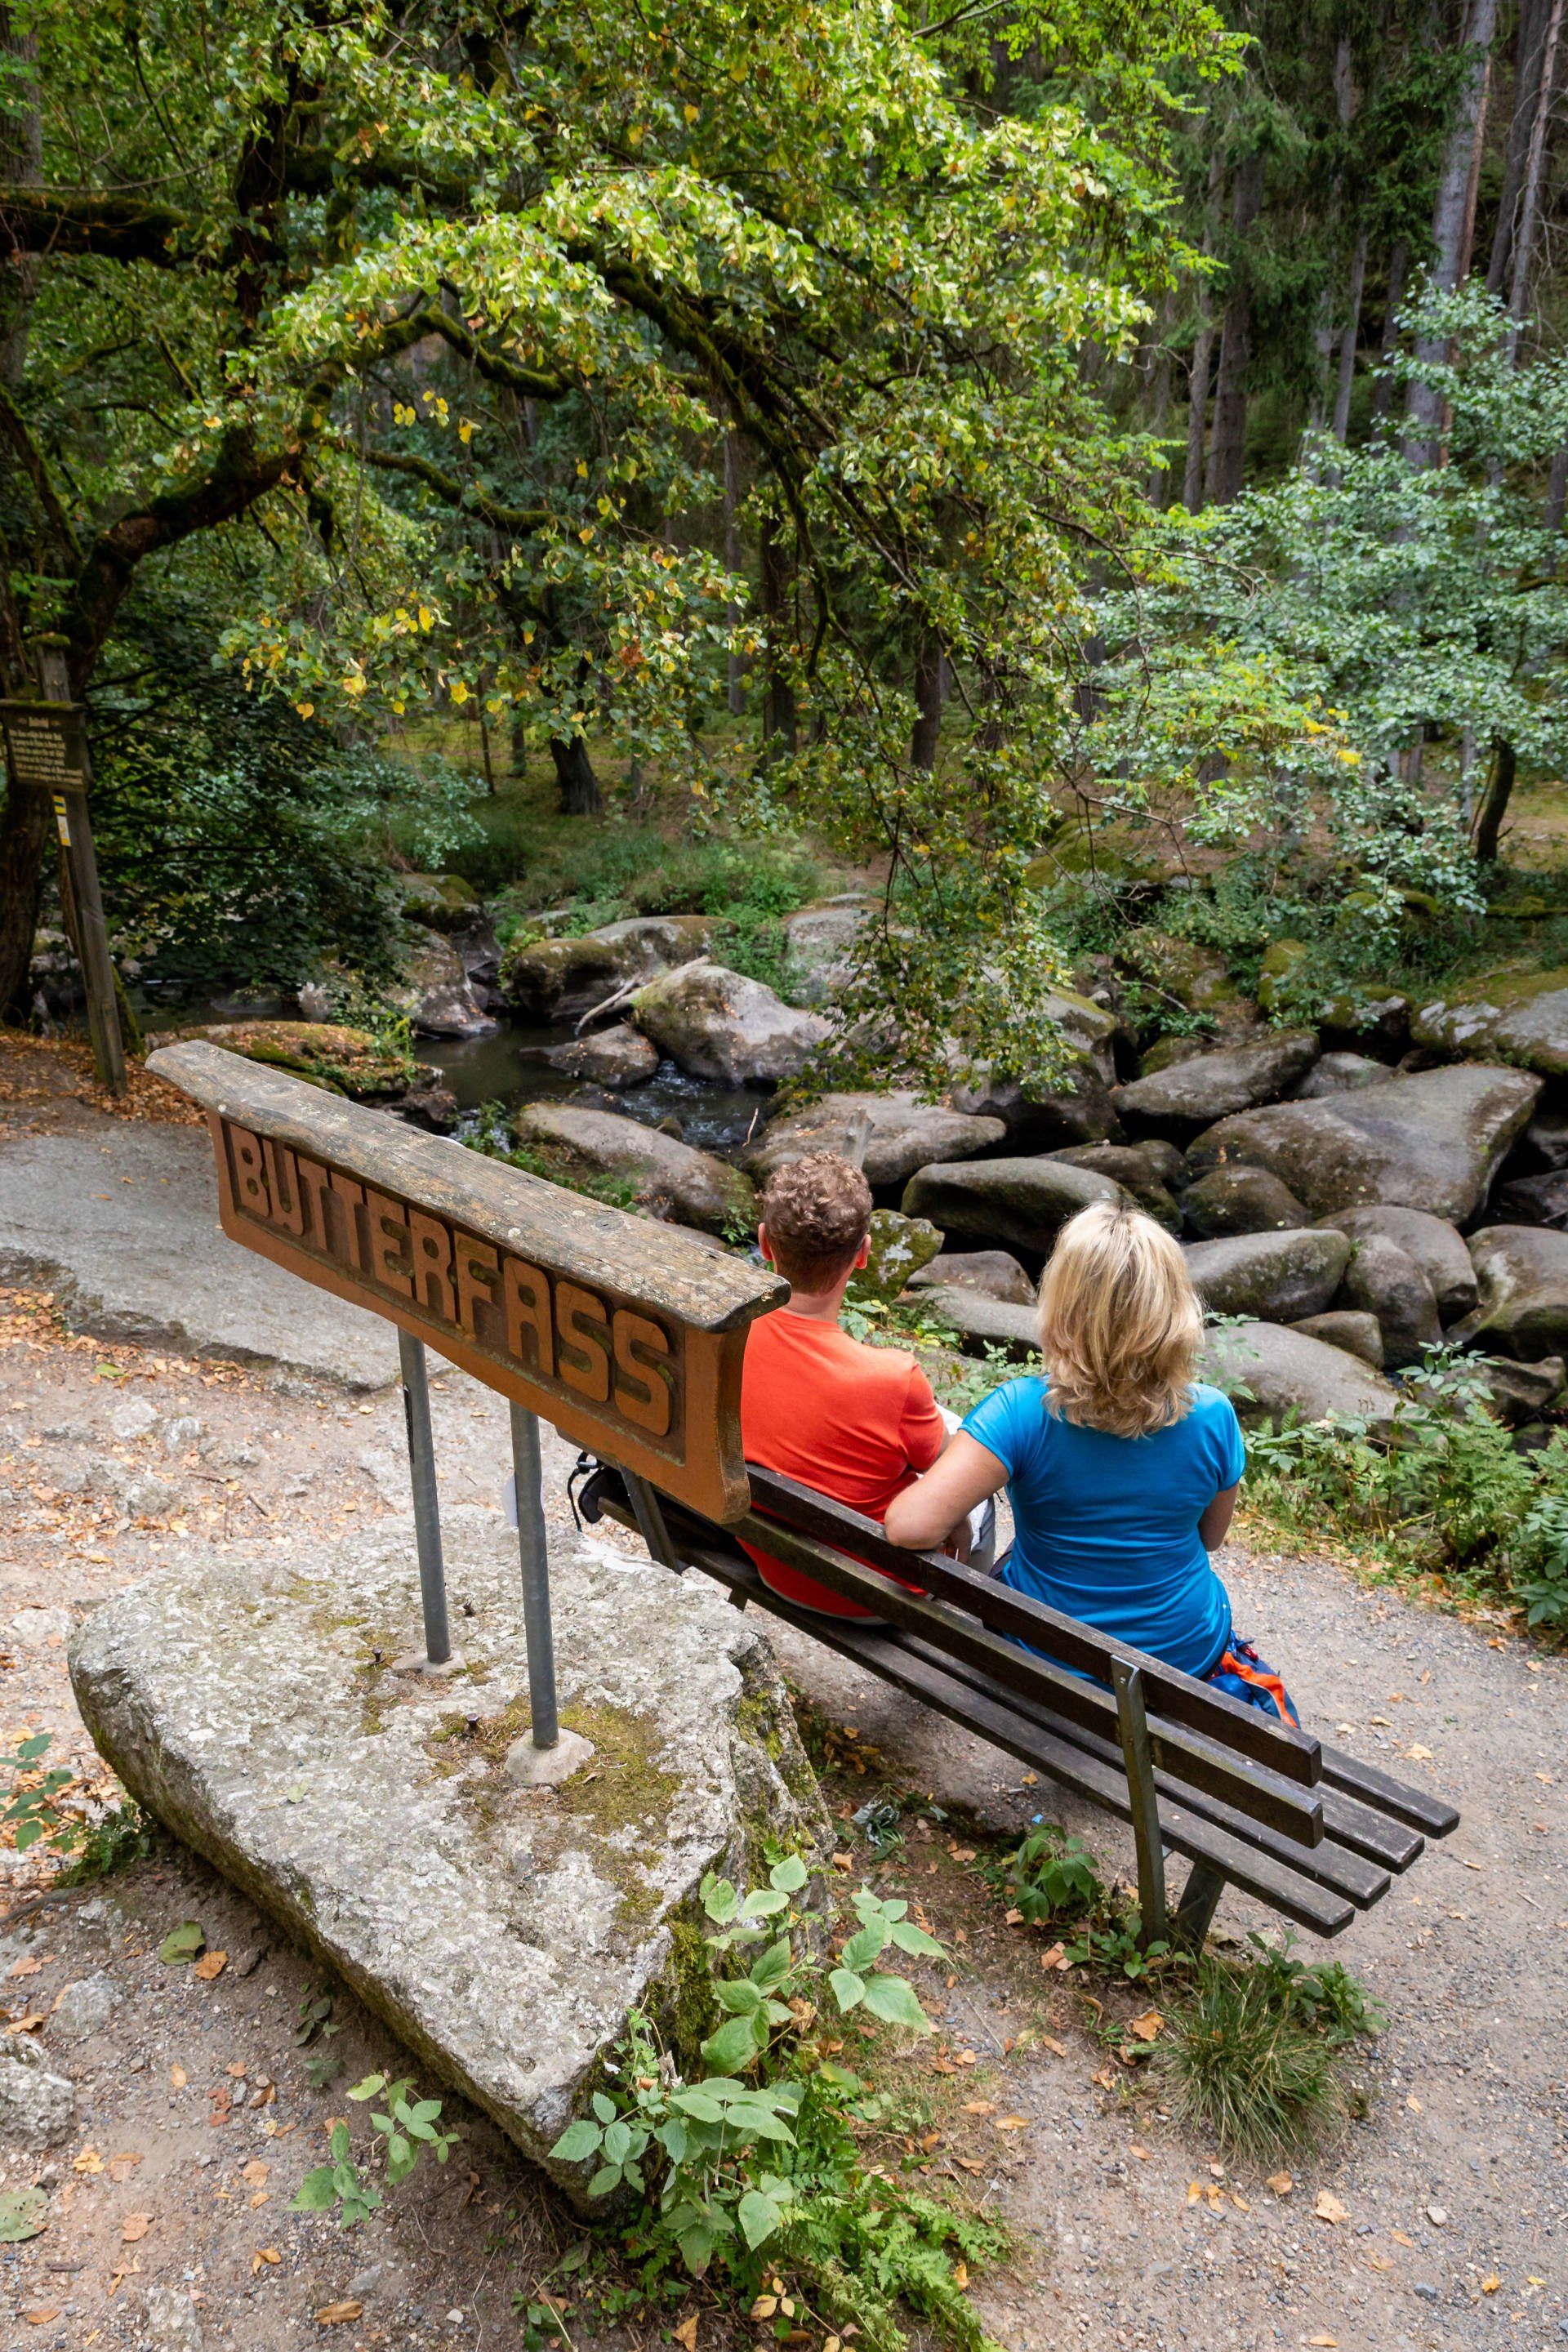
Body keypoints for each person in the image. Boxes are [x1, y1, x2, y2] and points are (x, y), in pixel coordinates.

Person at [883, 1200, 1297, 1722]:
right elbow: (1209, 1540)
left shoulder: (1021, 1412)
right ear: (1172, 1309)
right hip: (1182, 1658)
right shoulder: (1213, 1414)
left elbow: (908, 1527)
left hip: (1047, 1652)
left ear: (1063, 1304)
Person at [739, 1151, 956, 1618]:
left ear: (764, 1243)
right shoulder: (895, 1378)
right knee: (968, 1481)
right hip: (874, 1596)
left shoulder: (728, 1336)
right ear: (862, 1254)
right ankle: (966, 1618)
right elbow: (945, 1469)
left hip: (772, 1562)